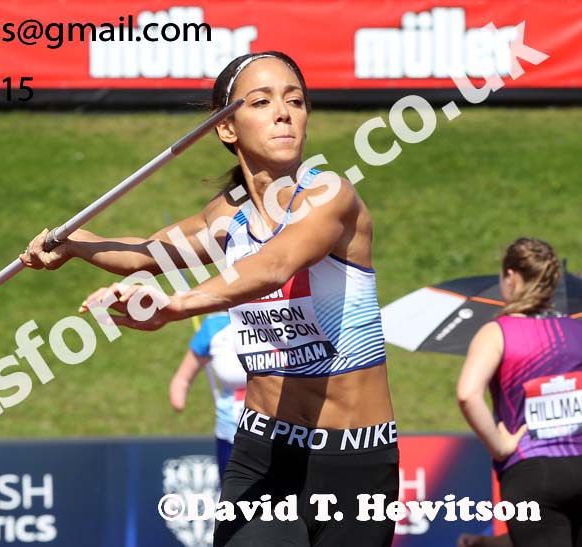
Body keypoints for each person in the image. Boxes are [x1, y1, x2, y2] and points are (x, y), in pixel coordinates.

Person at [22, 50, 398, 546]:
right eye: (261, 102)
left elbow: (272, 267)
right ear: (227, 128)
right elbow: (147, 253)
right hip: (264, 450)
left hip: (354, 460)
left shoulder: (330, 196)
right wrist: (73, 244)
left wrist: (176, 305)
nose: (284, 113)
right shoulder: (229, 215)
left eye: (296, 101)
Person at [457, 238, 582, 547]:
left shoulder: (497, 331)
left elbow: (467, 394)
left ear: (511, 277)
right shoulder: (577, 329)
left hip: (531, 471)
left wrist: (499, 445)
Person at [169, 311, 247, 479]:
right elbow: (182, 378)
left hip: (278, 432)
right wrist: (179, 394)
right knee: (234, 498)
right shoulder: (215, 326)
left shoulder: (277, 316)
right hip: (230, 431)